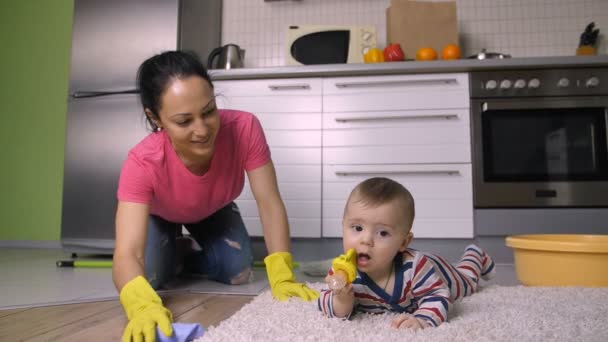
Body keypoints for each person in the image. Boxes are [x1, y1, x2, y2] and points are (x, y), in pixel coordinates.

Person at [113, 50, 318, 342]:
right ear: (155, 117)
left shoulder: (245, 128)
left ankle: (182, 251)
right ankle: (172, 248)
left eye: (209, 111)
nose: (202, 130)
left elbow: (269, 202)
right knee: (152, 279)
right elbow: (127, 253)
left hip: (214, 209)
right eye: (184, 121)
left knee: (238, 270)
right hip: (160, 216)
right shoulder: (141, 162)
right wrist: (141, 306)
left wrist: (282, 275)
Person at [318, 177, 495, 329]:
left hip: (439, 271)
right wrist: (341, 300)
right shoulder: (343, 272)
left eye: (382, 233)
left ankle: (475, 254)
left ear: (403, 242)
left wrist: (423, 319)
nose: (366, 240)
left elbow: (439, 296)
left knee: (468, 280)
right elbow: (326, 303)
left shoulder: (416, 268)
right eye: (357, 228)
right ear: (343, 226)